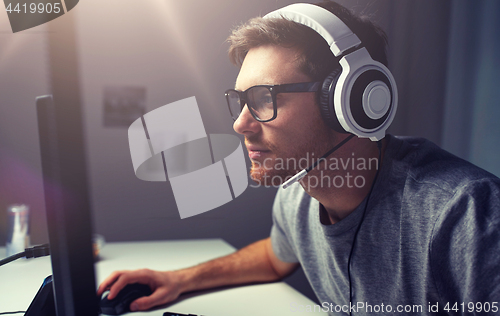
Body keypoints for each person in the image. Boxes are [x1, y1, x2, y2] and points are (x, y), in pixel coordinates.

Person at [98, 1, 500, 314]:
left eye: (263, 99)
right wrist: (178, 279)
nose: (240, 124)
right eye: (240, 100)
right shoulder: (298, 194)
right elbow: (275, 257)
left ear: (352, 102)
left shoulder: (467, 214)